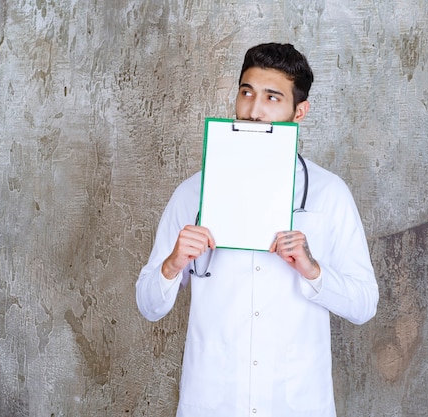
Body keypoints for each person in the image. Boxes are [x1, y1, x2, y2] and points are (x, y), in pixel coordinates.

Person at [136, 42, 379, 417]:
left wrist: (313, 272)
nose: (253, 110)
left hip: (295, 404)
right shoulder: (192, 193)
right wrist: (171, 264)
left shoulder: (330, 195)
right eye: (246, 93)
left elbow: (364, 305)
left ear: (299, 111)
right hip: (213, 402)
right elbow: (148, 305)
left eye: (272, 97)